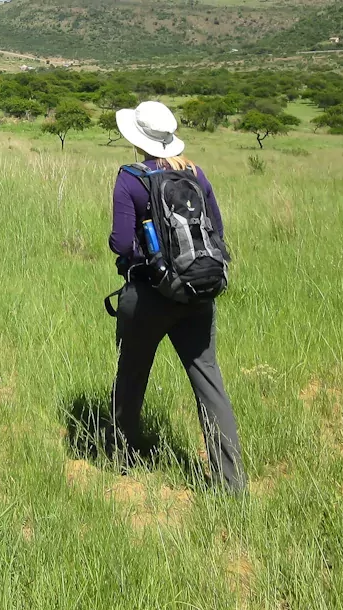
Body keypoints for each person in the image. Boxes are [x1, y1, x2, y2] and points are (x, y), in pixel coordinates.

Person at [107, 101, 246, 492]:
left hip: (149, 293)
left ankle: (124, 457)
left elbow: (120, 242)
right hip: (199, 292)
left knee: (132, 374)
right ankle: (230, 482)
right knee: (208, 381)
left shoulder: (130, 178)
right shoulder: (195, 173)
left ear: (138, 138)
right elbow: (216, 230)